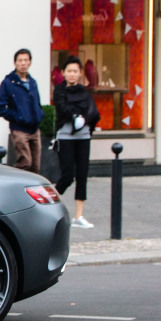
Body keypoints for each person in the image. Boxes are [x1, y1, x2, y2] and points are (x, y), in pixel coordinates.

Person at [53, 54, 100, 229]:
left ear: (80, 73)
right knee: (67, 175)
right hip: (65, 137)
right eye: (69, 71)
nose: (72, 74)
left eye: (75, 71)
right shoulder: (59, 90)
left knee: (82, 174)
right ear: (63, 73)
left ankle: (79, 215)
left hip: (84, 136)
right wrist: (77, 112)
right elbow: (63, 109)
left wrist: (80, 116)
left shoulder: (85, 92)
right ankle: (50, 200)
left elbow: (93, 113)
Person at [0, 47, 45, 173]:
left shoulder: (33, 82)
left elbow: (37, 103)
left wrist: (40, 114)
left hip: (34, 129)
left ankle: (31, 191)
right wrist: (17, 117)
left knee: (35, 166)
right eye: (20, 60)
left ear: (30, 63)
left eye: (25, 60)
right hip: (19, 129)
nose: (23, 63)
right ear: (15, 63)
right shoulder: (8, 82)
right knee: (25, 162)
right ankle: (12, 181)